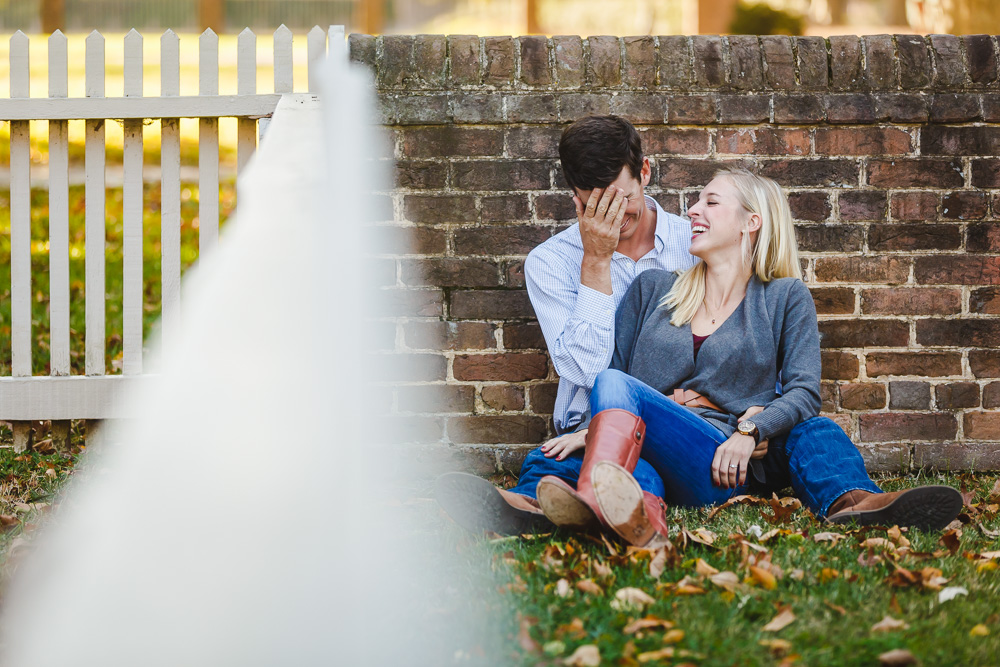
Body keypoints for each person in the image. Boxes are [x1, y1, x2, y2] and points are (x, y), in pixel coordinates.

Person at [533, 169, 963, 546]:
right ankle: (583, 509)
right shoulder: (652, 289)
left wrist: (751, 429)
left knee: (815, 430)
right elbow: (618, 377)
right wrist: (593, 428)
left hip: (723, 463)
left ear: (751, 222)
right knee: (561, 448)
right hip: (651, 447)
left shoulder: (782, 297)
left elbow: (803, 392)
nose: (692, 210)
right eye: (697, 201)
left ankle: (855, 502)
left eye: (711, 201)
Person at [435, 115, 699, 535]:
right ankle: (544, 507)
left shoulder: (696, 246)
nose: (612, 217)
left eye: (620, 199)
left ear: (644, 172)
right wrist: (595, 260)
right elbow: (585, 373)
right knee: (556, 461)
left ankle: (595, 507)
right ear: (576, 198)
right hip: (586, 426)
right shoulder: (551, 262)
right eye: (594, 204)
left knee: (632, 463)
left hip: (672, 419)